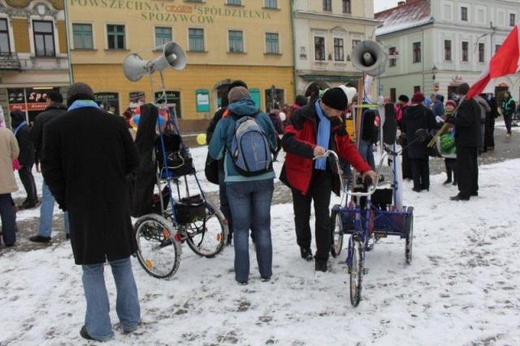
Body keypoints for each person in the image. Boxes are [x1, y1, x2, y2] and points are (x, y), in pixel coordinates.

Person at [41, 82, 141, 341]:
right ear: (93, 98)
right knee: (122, 262)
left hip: (81, 205)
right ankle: (130, 319)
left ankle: (99, 329)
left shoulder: (56, 128)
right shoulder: (116, 123)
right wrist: (122, 187)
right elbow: (134, 161)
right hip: (115, 202)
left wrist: (66, 199)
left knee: (92, 267)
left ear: (70, 100)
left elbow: (50, 170)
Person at [280, 87, 376, 272]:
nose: (340, 114)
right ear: (327, 106)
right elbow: (288, 142)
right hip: (300, 172)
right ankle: (304, 245)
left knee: (323, 216)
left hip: (323, 174)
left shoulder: (335, 121)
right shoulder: (301, 115)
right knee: (302, 214)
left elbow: (347, 147)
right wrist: (312, 149)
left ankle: (322, 258)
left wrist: (364, 168)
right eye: (339, 111)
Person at [208, 86, 278, 285]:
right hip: (264, 178)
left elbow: (214, 153)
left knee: (240, 228)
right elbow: (274, 145)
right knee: (263, 226)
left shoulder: (225, 120)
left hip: (236, 182)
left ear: (230, 101)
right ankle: (266, 272)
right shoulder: (262, 117)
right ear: (249, 99)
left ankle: (242, 276)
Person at [206, 80, 248, 246]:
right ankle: (235, 234)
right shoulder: (255, 113)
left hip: (227, 166)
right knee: (236, 201)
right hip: (241, 166)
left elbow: (211, 139)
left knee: (228, 202)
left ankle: (230, 235)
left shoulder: (223, 115)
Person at [29, 91, 70, 243]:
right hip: (69, 162)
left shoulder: (41, 118)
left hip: (50, 163)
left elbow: (33, 139)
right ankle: (70, 231)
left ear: (49, 100)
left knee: (48, 198)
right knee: (69, 196)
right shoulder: (69, 115)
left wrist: (38, 157)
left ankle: (45, 232)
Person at [445, 83, 481, 201]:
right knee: (472, 165)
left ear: (460, 93)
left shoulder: (466, 103)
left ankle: (464, 192)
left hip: (465, 140)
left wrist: (452, 119)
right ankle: (473, 189)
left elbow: (465, 121)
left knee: (464, 166)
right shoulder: (474, 102)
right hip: (472, 139)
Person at [401, 92, 437, 192]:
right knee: (424, 163)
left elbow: (403, 125)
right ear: (422, 100)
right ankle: (425, 185)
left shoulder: (406, 111)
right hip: (423, 140)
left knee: (414, 164)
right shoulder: (426, 111)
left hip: (411, 141)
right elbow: (433, 125)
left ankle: (416, 186)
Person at [11, 110, 38, 209]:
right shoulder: (23, 128)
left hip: (25, 160)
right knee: (29, 177)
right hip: (27, 158)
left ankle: (31, 199)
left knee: (27, 179)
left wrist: (21, 161)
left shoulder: (22, 130)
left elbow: (24, 147)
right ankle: (32, 197)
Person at [0, 113, 19, 247]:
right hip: (4, 176)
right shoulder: (7, 133)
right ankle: (10, 238)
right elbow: (15, 152)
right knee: (6, 208)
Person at [438, 100, 457, 185]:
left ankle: (456, 179)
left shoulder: (456, 116)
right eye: (447, 105)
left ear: (454, 107)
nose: (448, 107)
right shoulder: (442, 117)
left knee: (454, 161)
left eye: (450, 105)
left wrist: (452, 130)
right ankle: (449, 178)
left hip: (453, 141)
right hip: (444, 141)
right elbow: (437, 128)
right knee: (447, 160)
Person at [396, 94, 412, 180]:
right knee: (406, 154)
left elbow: (400, 120)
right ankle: (407, 172)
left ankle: (407, 173)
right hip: (405, 133)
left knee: (406, 155)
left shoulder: (404, 109)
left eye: (399, 100)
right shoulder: (403, 108)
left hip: (405, 134)